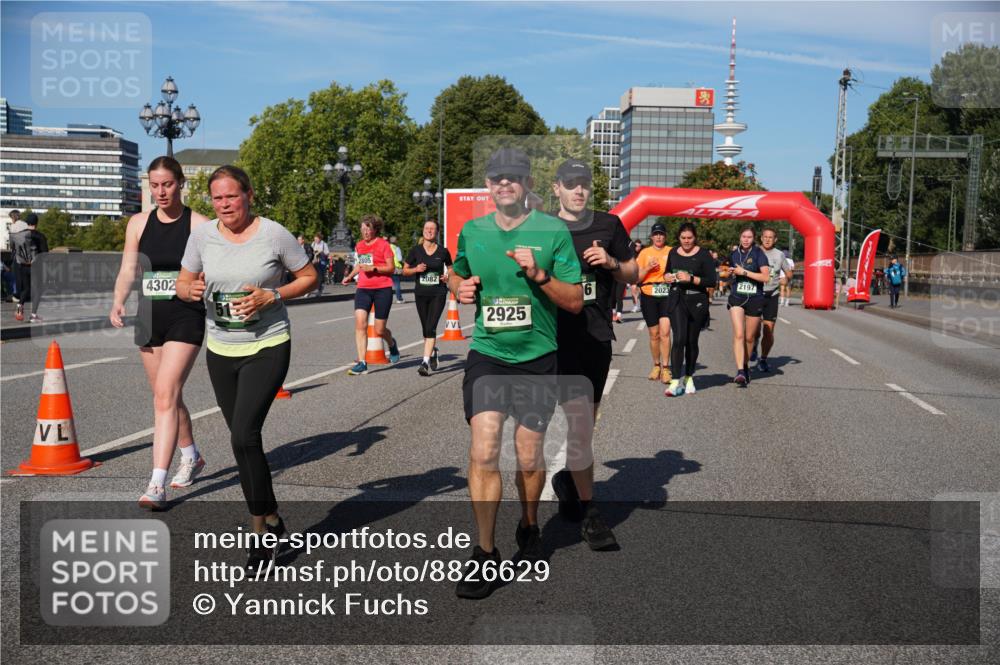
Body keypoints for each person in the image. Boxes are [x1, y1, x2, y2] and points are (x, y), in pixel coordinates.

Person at [449, 147, 582, 599]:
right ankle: (485, 553)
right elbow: (457, 271)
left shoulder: (552, 231)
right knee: (483, 449)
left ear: (526, 184)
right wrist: (459, 287)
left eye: (514, 177)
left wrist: (540, 275)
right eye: (497, 177)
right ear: (487, 185)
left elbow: (576, 301)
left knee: (527, 458)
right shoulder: (473, 230)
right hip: (488, 353)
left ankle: (529, 525)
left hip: (537, 357)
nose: (505, 183)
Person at [176, 165, 318, 570]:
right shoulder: (201, 237)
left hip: (268, 344)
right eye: (217, 198)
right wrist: (192, 289)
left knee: (244, 434)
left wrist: (273, 295)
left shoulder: (273, 234)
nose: (224, 205)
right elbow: (183, 283)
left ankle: (260, 535)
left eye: (231, 197)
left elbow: (309, 276)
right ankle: (272, 516)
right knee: (242, 443)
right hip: (221, 347)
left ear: (248, 195)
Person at [109, 157, 210, 509]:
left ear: (181, 183)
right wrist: (118, 300)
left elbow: (213, 270)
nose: (160, 192)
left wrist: (201, 287)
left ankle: (156, 484)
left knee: (165, 394)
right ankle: (192, 455)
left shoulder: (199, 224)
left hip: (186, 315)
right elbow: (128, 267)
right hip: (149, 313)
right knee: (166, 396)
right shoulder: (138, 223)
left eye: (167, 184)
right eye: (154, 185)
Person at [547, 158, 637, 551]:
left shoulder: (610, 224)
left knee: (583, 426)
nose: (578, 190)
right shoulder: (542, 228)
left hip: (594, 336)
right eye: (571, 184)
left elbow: (634, 272)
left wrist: (613, 262)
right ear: (557, 189)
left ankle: (577, 492)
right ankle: (578, 512)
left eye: (584, 184)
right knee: (562, 427)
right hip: (551, 338)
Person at [341, 215, 400, 374]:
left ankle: (392, 344)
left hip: (382, 289)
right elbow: (361, 264)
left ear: (375, 230)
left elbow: (391, 268)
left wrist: (374, 268)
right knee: (360, 324)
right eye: (363, 228)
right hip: (364, 288)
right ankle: (362, 362)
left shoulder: (383, 245)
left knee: (379, 330)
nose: (365, 232)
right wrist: (350, 276)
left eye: (369, 229)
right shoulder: (360, 246)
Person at [663, 223, 716, 396]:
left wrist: (691, 278)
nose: (686, 241)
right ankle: (675, 381)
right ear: (678, 238)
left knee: (691, 342)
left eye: (690, 238)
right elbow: (667, 272)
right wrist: (668, 277)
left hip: (697, 301)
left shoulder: (703, 254)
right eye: (683, 238)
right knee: (678, 339)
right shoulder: (673, 252)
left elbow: (711, 281)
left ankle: (689, 376)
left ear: (695, 238)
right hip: (677, 298)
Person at [403, 219, 452, 375]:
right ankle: (432, 352)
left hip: (438, 293)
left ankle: (424, 362)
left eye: (432, 229)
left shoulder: (443, 251)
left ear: (437, 232)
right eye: (426, 228)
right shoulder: (415, 251)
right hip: (421, 293)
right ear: (423, 231)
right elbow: (405, 271)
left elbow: (451, 269)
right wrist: (416, 269)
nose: (429, 231)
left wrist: (447, 277)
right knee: (425, 329)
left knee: (431, 327)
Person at [727, 227, 770, 386]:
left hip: (755, 298)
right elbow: (726, 274)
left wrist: (743, 272)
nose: (746, 240)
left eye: (749, 237)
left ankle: (745, 365)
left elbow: (765, 277)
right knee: (739, 334)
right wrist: (728, 274)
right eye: (743, 236)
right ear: (740, 237)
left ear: (754, 239)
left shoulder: (759, 254)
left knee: (749, 337)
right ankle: (739, 371)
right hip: (737, 297)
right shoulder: (733, 254)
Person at [636, 223, 673, 384]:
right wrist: (648, 268)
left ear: (665, 236)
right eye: (656, 234)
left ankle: (666, 368)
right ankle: (656, 365)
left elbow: (678, 272)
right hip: (648, 294)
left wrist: (672, 277)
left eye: (661, 234)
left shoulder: (671, 252)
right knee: (654, 334)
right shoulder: (644, 253)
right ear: (651, 236)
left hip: (666, 295)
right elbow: (637, 278)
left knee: (665, 332)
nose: (659, 237)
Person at [750, 228, 788, 373]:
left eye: (770, 237)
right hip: (755, 294)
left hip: (771, 295)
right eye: (765, 237)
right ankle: (753, 345)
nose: (767, 239)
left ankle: (764, 359)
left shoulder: (779, 255)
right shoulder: (753, 252)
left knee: (768, 330)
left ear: (775, 239)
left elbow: (788, 273)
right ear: (761, 238)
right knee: (754, 330)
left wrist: (786, 278)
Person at [10, 212, 49, 322]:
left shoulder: (18, 235)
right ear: (36, 223)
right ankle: (33, 315)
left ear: (27, 223)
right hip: (35, 266)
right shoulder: (39, 236)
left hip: (22, 266)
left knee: (26, 289)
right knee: (38, 290)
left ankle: (19, 306)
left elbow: (13, 249)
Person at [389, 235, 404, 303]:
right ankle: (399, 299)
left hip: (388, 267)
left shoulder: (387, 247)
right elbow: (399, 259)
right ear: (396, 241)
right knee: (397, 284)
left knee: (388, 284)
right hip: (396, 268)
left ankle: (387, 299)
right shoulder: (396, 248)